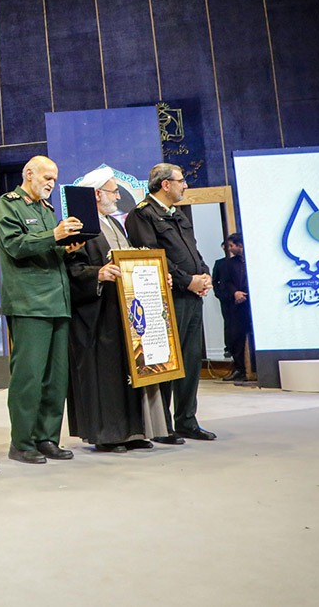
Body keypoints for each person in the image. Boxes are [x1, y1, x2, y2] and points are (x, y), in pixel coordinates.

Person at [64, 166, 166, 453]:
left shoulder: (115, 224)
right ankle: (108, 435)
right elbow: (72, 269)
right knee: (105, 375)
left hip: (122, 310)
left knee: (128, 371)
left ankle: (133, 432)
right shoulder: (79, 226)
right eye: (113, 191)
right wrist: (97, 274)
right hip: (96, 314)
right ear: (97, 195)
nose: (118, 197)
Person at [0, 156, 83, 464]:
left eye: (54, 179)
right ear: (29, 174)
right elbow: (15, 245)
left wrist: (66, 248)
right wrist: (55, 235)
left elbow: (47, 249)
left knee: (56, 378)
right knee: (29, 376)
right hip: (29, 302)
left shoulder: (47, 210)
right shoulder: (9, 205)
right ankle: (22, 442)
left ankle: (47, 438)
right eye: (47, 177)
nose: (51, 184)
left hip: (58, 301)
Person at [125, 163, 216, 442]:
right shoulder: (142, 214)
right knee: (164, 361)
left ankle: (187, 419)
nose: (185, 185)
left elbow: (193, 250)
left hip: (191, 297)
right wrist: (187, 280)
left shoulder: (177, 214)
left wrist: (204, 275)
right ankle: (162, 425)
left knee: (190, 360)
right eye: (181, 180)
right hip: (165, 299)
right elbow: (152, 257)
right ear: (165, 184)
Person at [216, 233, 252, 382]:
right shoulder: (228, 264)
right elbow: (224, 282)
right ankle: (240, 369)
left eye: (231, 245)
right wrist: (235, 293)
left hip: (252, 304)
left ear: (240, 245)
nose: (229, 249)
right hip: (236, 305)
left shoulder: (253, 260)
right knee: (236, 337)